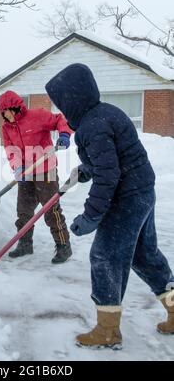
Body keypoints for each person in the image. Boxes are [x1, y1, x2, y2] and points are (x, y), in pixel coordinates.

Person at [45, 63, 174, 349]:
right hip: (142, 192)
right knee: (144, 255)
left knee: (105, 257)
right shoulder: (107, 112)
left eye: (62, 104)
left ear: (73, 100)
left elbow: (109, 176)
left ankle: (107, 330)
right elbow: (113, 158)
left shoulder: (91, 126)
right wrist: (86, 168)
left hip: (126, 198)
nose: (63, 112)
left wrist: (90, 217)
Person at [0, 90, 73, 264]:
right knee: (23, 211)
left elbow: (61, 120)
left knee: (50, 210)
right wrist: (17, 167)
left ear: (15, 108)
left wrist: (64, 134)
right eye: (2, 113)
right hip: (26, 173)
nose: (5, 116)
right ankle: (25, 244)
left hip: (46, 171)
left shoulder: (37, 115)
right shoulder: (6, 127)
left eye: (7, 112)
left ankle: (63, 246)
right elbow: (11, 150)